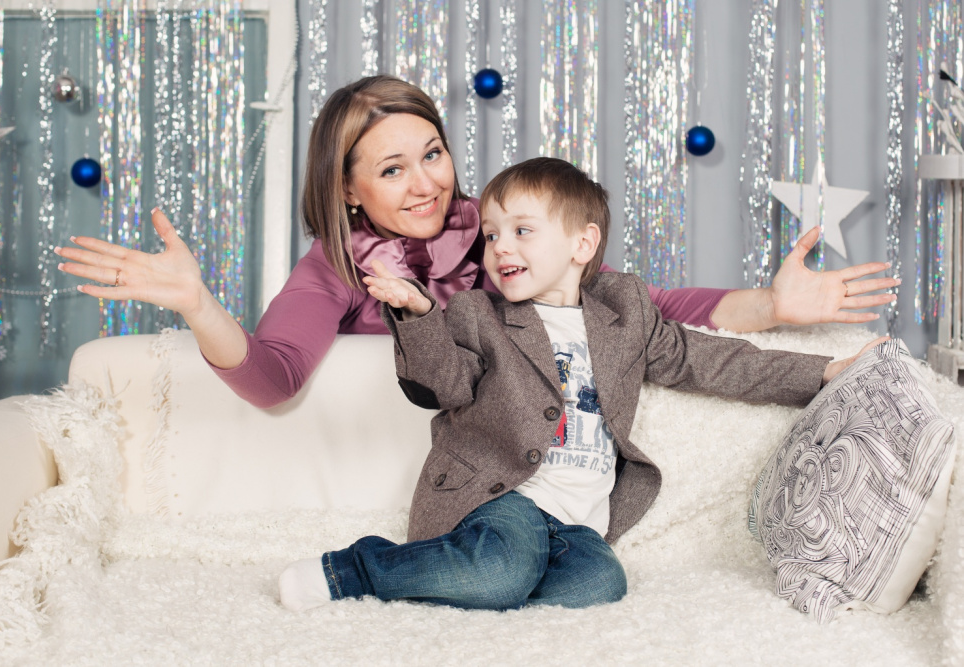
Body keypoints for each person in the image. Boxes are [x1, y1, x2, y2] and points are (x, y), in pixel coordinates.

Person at [54, 75, 897, 409]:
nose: (426, 182)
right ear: (347, 189)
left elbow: (643, 304)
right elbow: (274, 379)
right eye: (392, 170)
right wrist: (198, 304)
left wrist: (770, 304)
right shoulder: (337, 268)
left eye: (432, 153)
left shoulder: (500, 233)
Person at [276, 157, 886, 612]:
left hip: (578, 521)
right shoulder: (477, 316)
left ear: (582, 243)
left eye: (522, 230)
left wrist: (821, 373)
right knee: (501, 570)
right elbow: (446, 385)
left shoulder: (625, 315)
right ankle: (355, 570)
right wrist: (417, 314)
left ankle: (489, 580)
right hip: (500, 496)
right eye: (492, 234)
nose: (500, 248)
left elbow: (712, 361)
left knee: (599, 586)